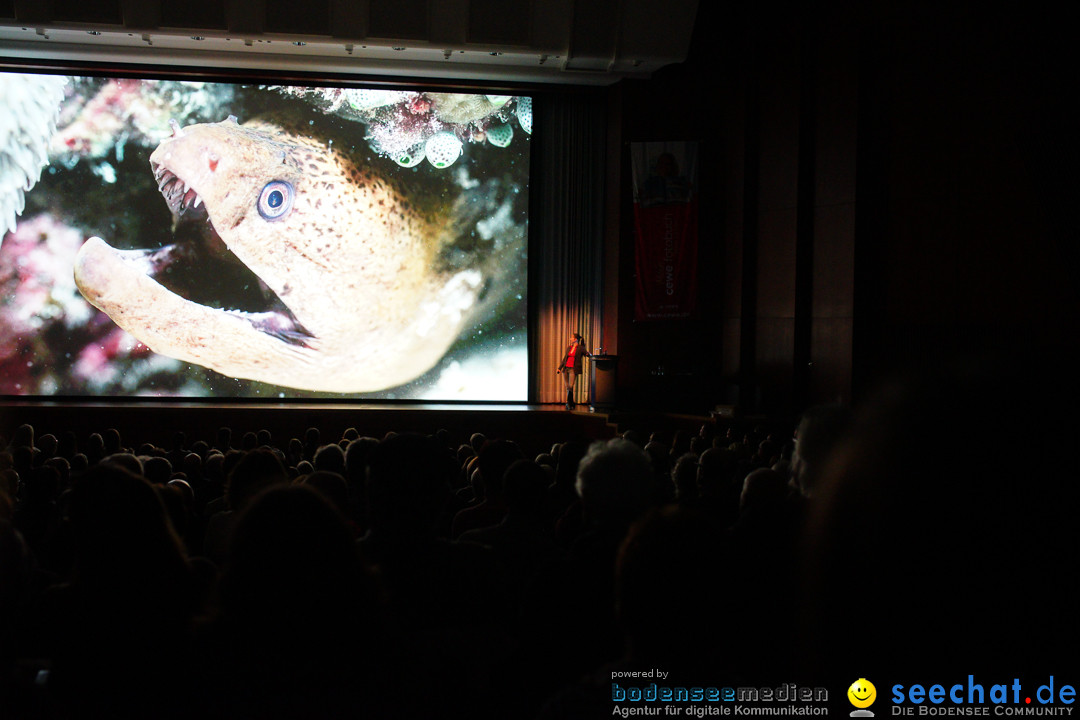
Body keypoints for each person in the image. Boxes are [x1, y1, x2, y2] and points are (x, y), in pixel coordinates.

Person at [556, 333, 591, 410]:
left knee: (570, 386)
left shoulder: (581, 348)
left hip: (573, 369)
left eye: (571, 338)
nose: (570, 339)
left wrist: (590, 354)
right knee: (567, 387)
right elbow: (565, 358)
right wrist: (559, 368)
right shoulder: (569, 348)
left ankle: (569, 403)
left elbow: (587, 354)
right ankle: (571, 403)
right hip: (565, 369)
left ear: (575, 339)